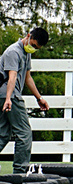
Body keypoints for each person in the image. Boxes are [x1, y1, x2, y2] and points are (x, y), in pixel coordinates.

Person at [2, 27, 50, 175]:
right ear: (28, 36)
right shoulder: (13, 52)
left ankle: (19, 172)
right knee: (24, 133)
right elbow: (12, 77)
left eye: (36, 48)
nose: (33, 49)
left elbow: (27, 78)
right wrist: (9, 98)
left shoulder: (26, 52)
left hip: (5, 96)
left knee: (2, 134)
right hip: (9, 95)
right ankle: (20, 173)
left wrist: (39, 98)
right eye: (33, 45)